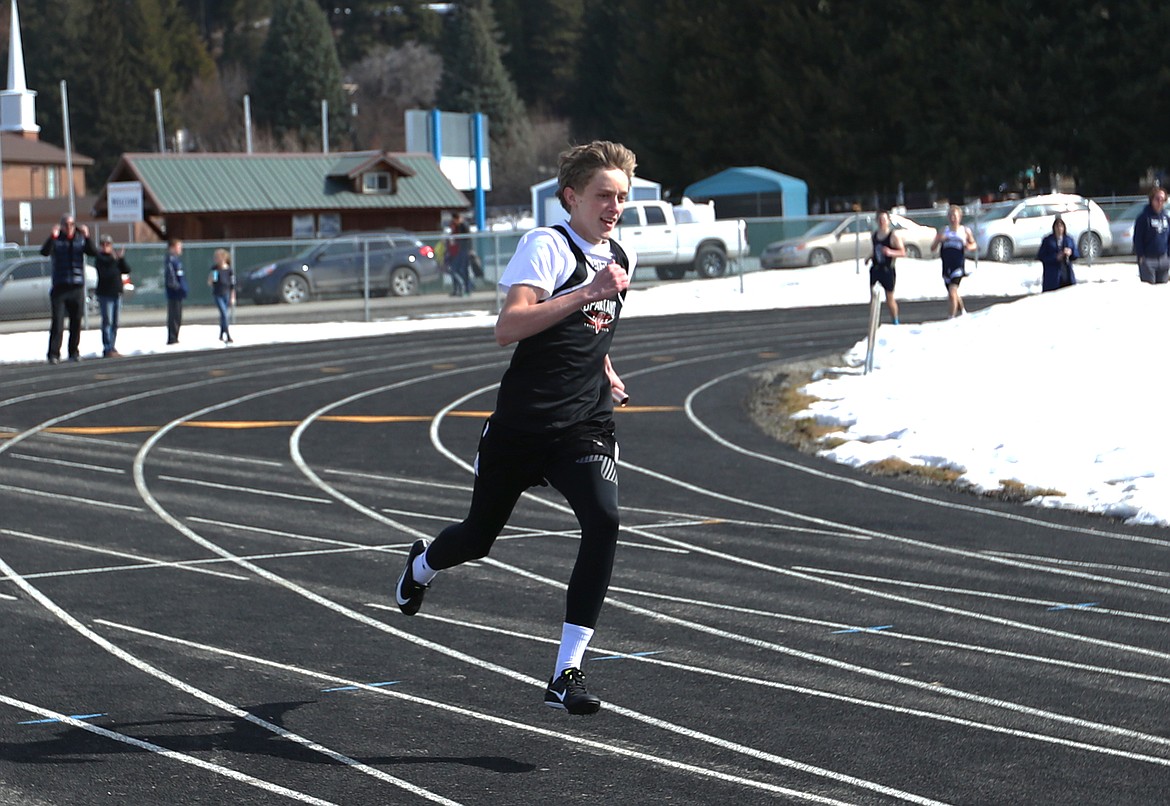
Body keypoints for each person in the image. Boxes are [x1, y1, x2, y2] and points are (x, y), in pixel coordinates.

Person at [394, 140, 638, 716]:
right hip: (522, 427)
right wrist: (589, 290)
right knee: (477, 539)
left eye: (622, 197)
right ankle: (423, 563)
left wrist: (607, 370)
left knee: (604, 521)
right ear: (572, 196)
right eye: (604, 195)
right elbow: (510, 326)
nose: (614, 207)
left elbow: (589, 332)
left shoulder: (621, 255)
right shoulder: (545, 246)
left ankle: (566, 671)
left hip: (584, 424)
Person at [41, 214, 98, 364]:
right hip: (60, 286)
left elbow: (93, 252)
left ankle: (73, 351)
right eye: (66, 224)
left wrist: (87, 237)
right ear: (61, 226)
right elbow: (44, 252)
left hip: (77, 286)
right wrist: (52, 237)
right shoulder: (57, 240)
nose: (69, 227)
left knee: (76, 322)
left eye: (72, 224)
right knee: (58, 322)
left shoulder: (80, 239)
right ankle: (53, 354)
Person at [931, 204, 977, 318]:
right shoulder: (944, 230)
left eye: (955, 216)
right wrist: (939, 240)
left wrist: (967, 246)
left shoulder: (964, 230)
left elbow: (974, 245)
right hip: (946, 265)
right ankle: (963, 311)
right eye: (951, 216)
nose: (953, 218)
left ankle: (951, 318)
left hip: (958, 265)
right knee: (953, 293)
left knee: (952, 292)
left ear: (960, 217)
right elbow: (932, 248)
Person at [865, 210, 906, 324]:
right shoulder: (874, 235)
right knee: (873, 298)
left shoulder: (893, 236)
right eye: (880, 220)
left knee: (889, 298)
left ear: (888, 221)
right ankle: (874, 322)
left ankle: (895, 320)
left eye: (884, 219)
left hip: (888, 269)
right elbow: (876, 250)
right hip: (876, 268)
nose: (882, 222)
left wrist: (890, 252)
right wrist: (869, 257)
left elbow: (902, 252)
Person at [94, 234, 131, 357]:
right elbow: (106, 274)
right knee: (107, 321)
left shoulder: (115, 259)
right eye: (103, 244)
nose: (105, 247)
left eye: (108, 244)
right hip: (105, 294)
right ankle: (107, 347)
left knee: (115, 322)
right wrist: (114, 259)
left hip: (116, 293)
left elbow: (126, 269)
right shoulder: (100, 259)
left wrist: (121, 259)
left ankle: (112, 346)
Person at [1131, 186, 1170, 284]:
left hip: (1164, 259)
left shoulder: (1166, 217)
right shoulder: (1143, 218)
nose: (1160, 202)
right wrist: (1141, 256)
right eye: (1157, 199)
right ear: (1152, 199)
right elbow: (1137, 238)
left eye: (1163, 200)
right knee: (1149, 290)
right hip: (1148, 260)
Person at [1037, 217, 1078, 292]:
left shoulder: (1069, 239)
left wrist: (1070, 253)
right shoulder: (1048, 241)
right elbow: (1041, 256)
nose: (1059, 229)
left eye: (1061, 226)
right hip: (1053, 277)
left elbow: (1076, 254)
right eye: (1057, 226)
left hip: (1066, 276)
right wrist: (1055, 257)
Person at [208, 248, 236, 343]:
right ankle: (228, 334)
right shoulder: (215, 269)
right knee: (224, 313)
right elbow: (212, 282)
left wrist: (232, 297)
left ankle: (221, 333)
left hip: (226, 293)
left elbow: (232, 285)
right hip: (218, 294)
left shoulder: (229, 270)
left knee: (223, 315)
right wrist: (211, 279)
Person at [164, 239, 187, 345]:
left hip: (179, 293)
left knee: (178, 316)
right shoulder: (170, 260)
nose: (180, 249)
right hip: (174, 293)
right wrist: (177, 287)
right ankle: (172, 338)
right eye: (178, 246)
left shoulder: (177, 260)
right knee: (174, 315)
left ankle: (176, 336)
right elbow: (171, 278)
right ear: (172, 247)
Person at [445, 211, 473, 296]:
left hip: (463, 251)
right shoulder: (456, 226)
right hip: (457, 252)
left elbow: (467, 238)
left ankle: (466, 289)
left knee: (462, 270)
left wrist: (469, 250)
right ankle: (459, 289)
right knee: (455, 270)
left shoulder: (463, 225)